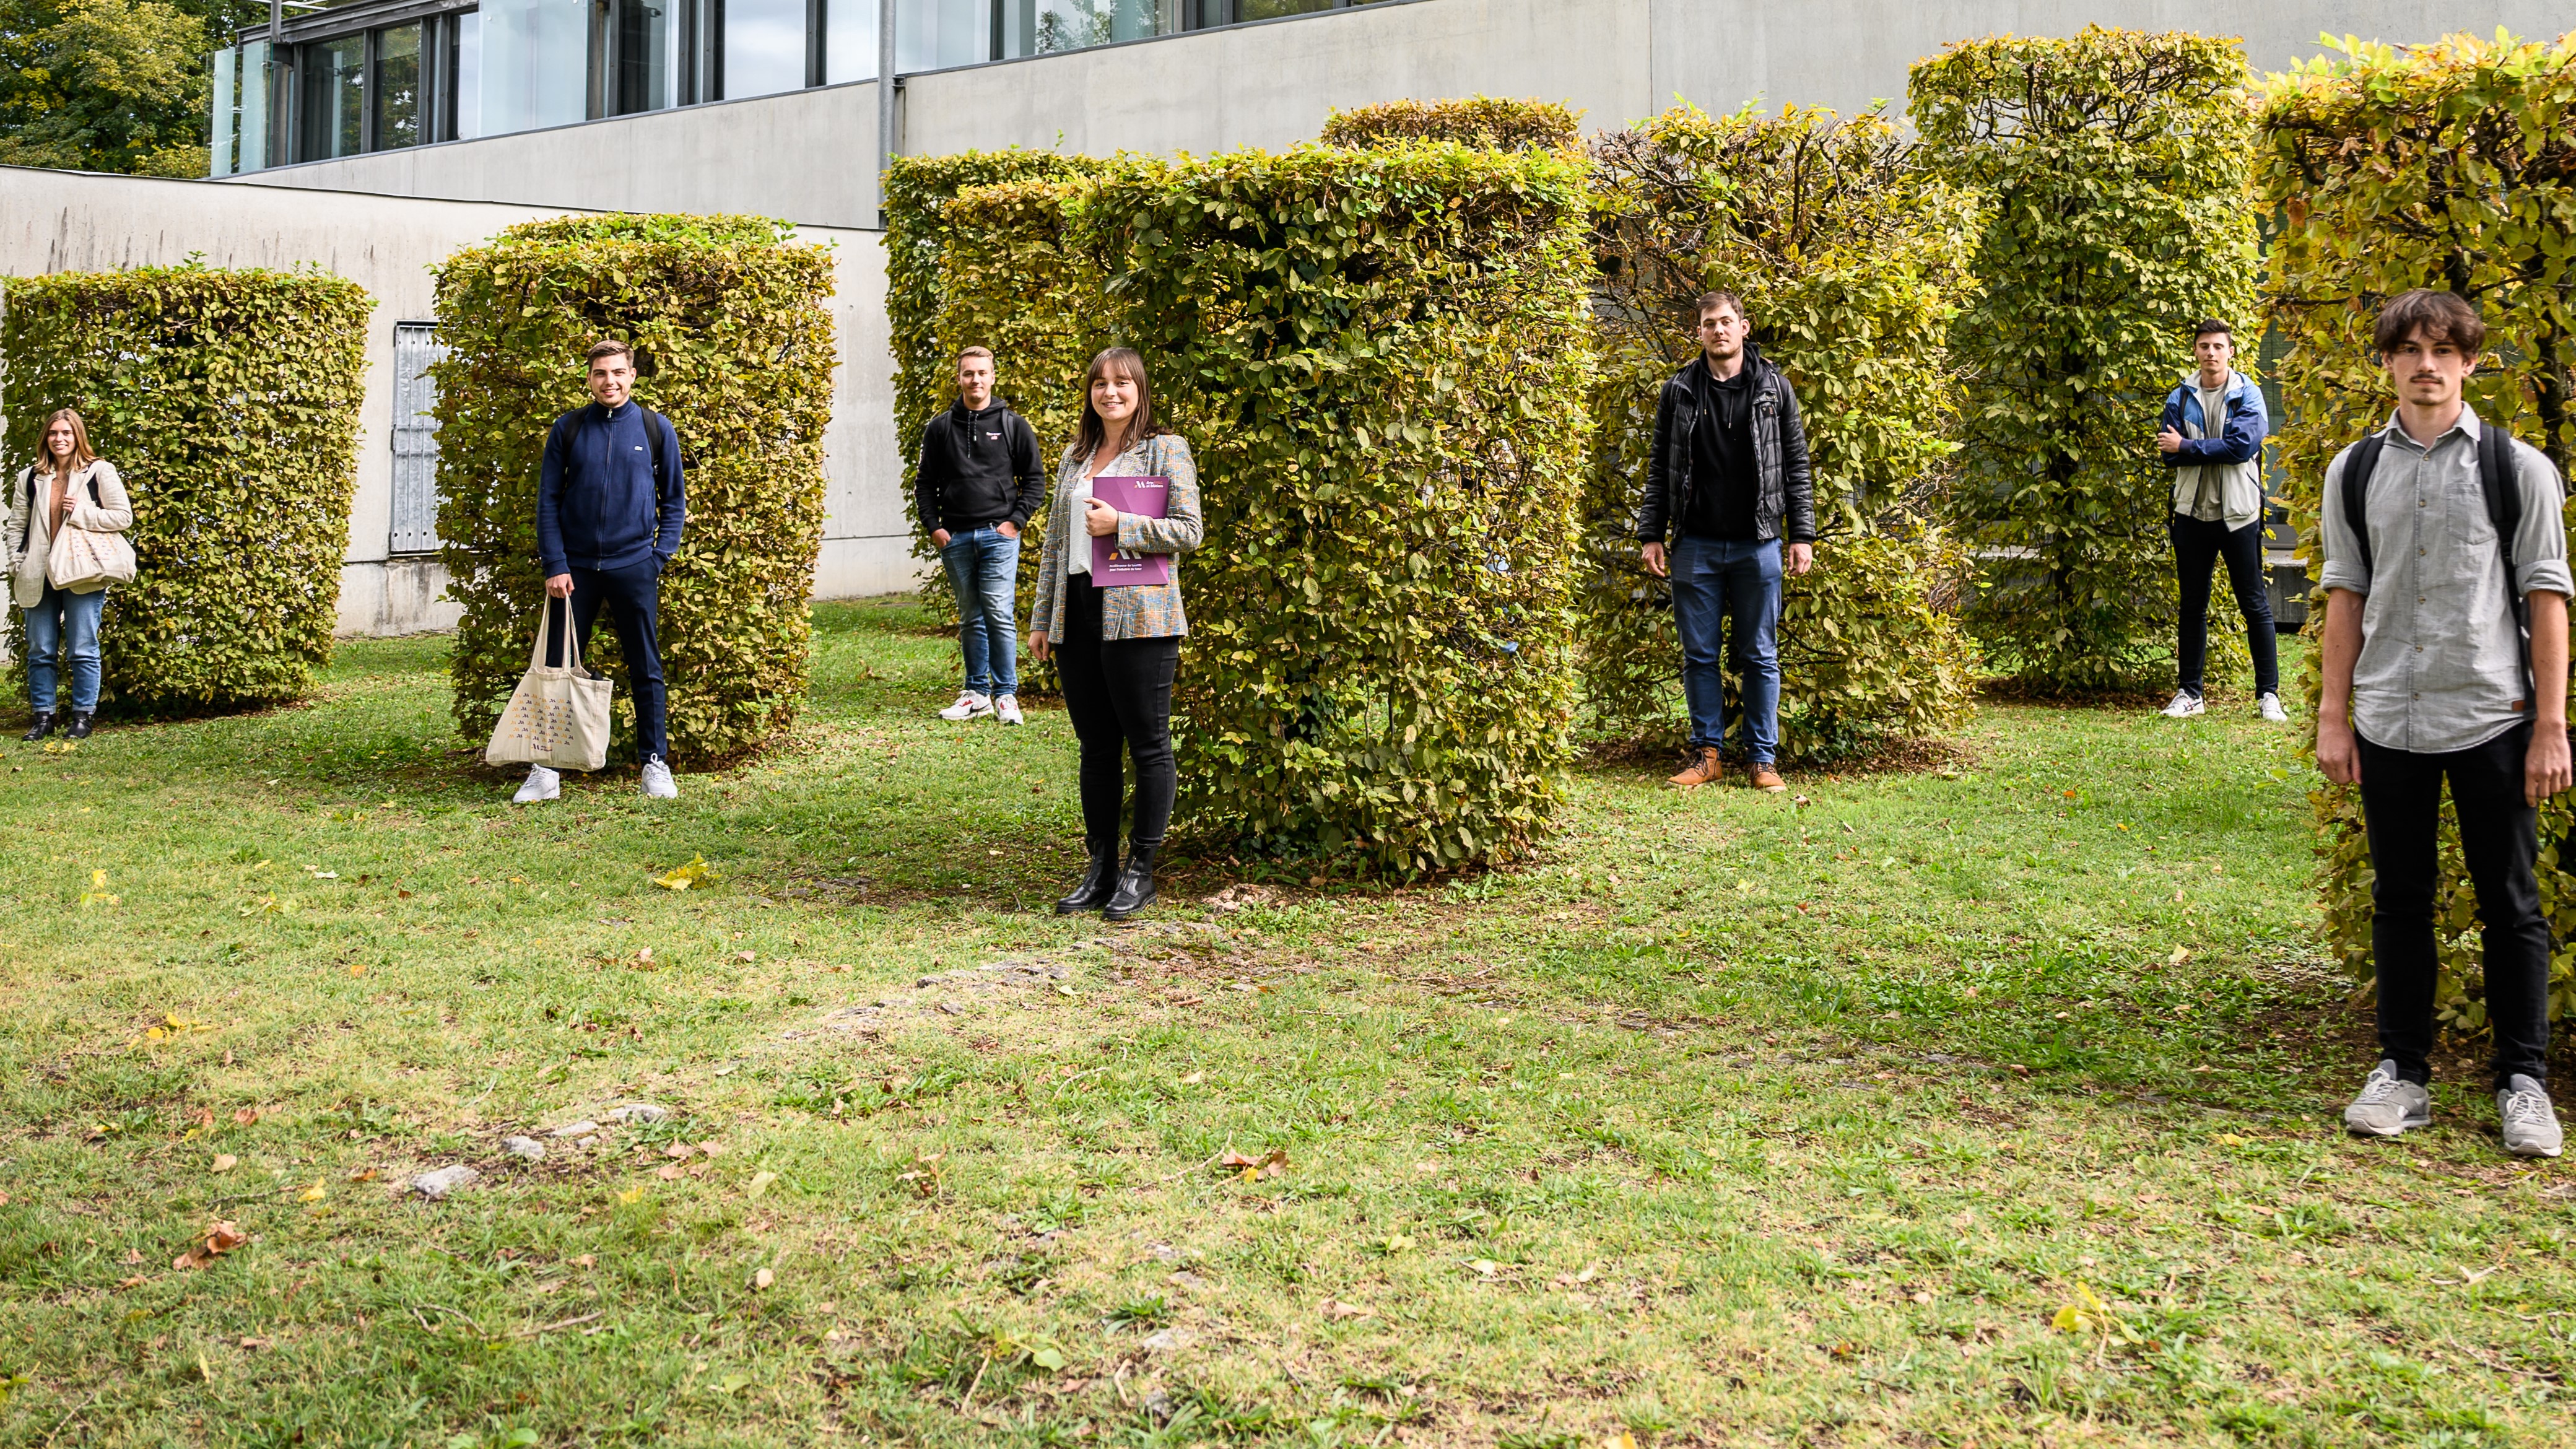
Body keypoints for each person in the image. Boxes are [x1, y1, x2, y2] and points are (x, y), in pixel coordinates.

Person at [2317, 289, 2569, 1159]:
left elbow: (2547, 597)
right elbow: (2345, 596)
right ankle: (2403, 1075)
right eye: (2410, 350)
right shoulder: (2354, 470)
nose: (2427, 365)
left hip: (2492, 717)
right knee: (2401, 903)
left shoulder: (2519, 470)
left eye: (2443, 351)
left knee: (2513, 906)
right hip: (2390, 717)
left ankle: (2524, 1084)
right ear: (2386, 362)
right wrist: (2333, 717)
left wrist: (2551, 726)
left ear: (2468, 363)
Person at [1028, 347, 1201, 920]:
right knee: (1096, 748)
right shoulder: (1076, 456)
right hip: (1078, 610)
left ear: (1140, 389)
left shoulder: (1165, 449)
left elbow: (1189, 530)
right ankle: (1100, 868)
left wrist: (1121, 524)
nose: (1111, 393)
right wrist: (1041, 620)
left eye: (1122, 383)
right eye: (1101, 384)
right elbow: (1056, 545)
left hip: (1141, 615)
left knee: (1148, 746)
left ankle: (1140, 872)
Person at [1638, 290, 1816, 793]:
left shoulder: (1773, 390)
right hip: (1694, 544)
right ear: (1699, 332)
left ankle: (1763, 761)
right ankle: (1707, 755)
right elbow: (1659, 468)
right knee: (1699, 655)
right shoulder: (1679, 391)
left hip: (1757, 543)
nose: (1718, 330)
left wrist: (1801, 534)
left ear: (1744, 327)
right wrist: (1652, 532)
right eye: (1708, 324)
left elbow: (1797, 467)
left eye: (1726, 322)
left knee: (1760, 654)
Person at [518, 339, 686, 804]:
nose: (609, 381)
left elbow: (674, 501)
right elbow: (547, 501)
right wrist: (555, 564)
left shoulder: (656, 429)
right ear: (589, 379)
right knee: (557, 669)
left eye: (617, 372)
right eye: (600, 374)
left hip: (634, 566)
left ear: (632, 376)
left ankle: (655, 763)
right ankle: (545, 769)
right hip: (574, 574)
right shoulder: (568, 429)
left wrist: (658, 558)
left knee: (646, 669)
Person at [2157, 320, 2282, 721]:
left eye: (2218, 346)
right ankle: (2190, 694)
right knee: (2192, 605)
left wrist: (2190, 445)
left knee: (2254, 604)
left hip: (2239, 514)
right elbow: (2168, 453)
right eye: (2203, 346)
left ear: (2231, 352)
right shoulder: (2180, 396)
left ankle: (2269, 696)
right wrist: (2200, 449)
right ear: (2195, 351)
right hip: (2192, 512)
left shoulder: (2249, 394)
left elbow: (2244, 445)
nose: (2210, 353)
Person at [915, 345, 1043, 726]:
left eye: (982, 373)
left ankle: (1006, 696)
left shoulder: (1013, 425)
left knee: (999, 614)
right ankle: (976, 694)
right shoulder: (939, 428)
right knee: (971, 616)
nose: (975, 380)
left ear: (992, 377)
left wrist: (1015, 523)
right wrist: (935, 528)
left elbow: (1034, 480)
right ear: (960, 378)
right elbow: (924, 483)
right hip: (955, 539)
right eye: (968, 373)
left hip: (998, 536)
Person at [9, 409, 131, 741]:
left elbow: (123, 517)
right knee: (40, 649)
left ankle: (82, 717)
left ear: (78, 436)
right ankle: (43, 717)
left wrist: (82, 511)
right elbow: (17, 525)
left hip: (82, 571)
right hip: (39, 571)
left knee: (82, 647)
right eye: (53, 433)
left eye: (66, 433)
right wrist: (16, 562)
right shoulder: (30, 477)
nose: (59, 439)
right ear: (45, 438)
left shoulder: (99, 472)